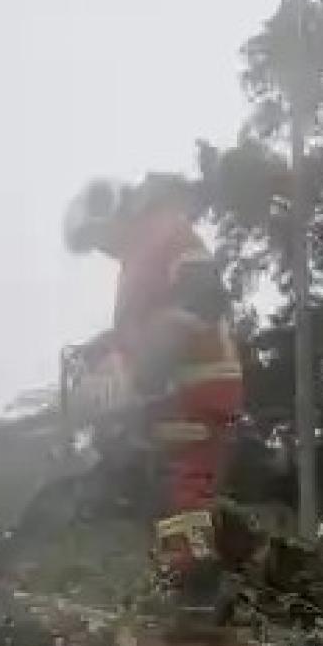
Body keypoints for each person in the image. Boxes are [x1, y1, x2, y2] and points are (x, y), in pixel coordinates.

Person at [63, 175, 242, 597]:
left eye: (98, 238)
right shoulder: (137, 255)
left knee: (184, 493)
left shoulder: (164, 232)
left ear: (110, 212)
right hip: (169, 396)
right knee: (146, 488)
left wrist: (138, 370)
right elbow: (141, 328)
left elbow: (200, 298)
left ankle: (193, 597)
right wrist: (104, 352)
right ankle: (165, 582)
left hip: (197, 391)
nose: (102, 249)